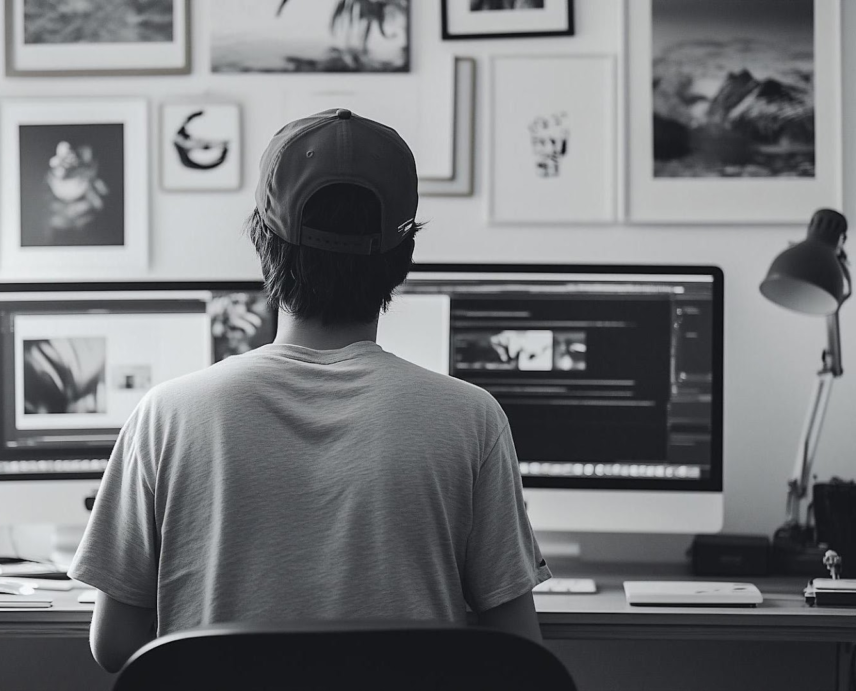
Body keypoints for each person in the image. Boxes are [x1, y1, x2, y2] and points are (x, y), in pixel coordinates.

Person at [69, 108, 552, 673]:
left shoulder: (167, 415)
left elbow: (115, 645)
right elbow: (519, 651)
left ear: (263, 244)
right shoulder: (471, 418)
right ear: (403, 258)